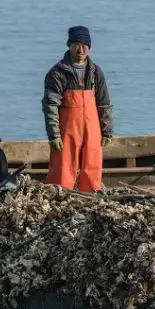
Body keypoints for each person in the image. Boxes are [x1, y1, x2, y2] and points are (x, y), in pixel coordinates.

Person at [43, 26, 113, 192]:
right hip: (67, 131)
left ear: (89, 47)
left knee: (92, 164)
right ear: (69, 45)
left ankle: (90, 195)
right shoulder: (57, 73)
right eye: (77, 44)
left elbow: (104, 103)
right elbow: (50, 106)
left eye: (85, 45)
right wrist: (54, 135)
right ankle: (60, 197)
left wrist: (107, 131)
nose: (81, 49)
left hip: (92, 129)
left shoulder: (96, 72)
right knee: (63, 166)